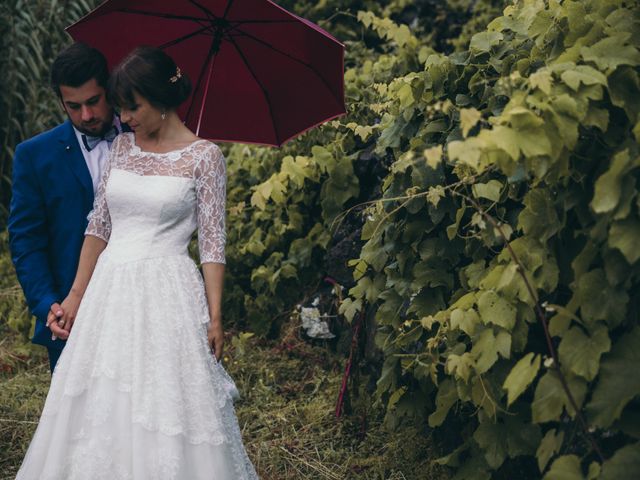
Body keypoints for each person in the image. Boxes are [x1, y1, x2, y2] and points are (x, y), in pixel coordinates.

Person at [15, 46, 258, 479]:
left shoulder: (205, 157)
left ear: (160, 101)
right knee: (103, 397)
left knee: (165, 399)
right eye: (122, 108)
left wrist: (216, 315)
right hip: (110, 289)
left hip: (168, 288)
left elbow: (213, 242)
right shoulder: (123, 148)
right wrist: (73, 297)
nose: (122, 117)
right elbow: (99, 226)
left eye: (132, 107)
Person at [8, 43, 127, 372]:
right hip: (71, 311)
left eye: (93, 101)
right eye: (73, 106)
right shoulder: (35, 155)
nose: (86, 116)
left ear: (110, 89)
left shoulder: (146, 137)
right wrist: (48, 304)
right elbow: (26, 240)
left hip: (139, 299)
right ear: (60, 101)